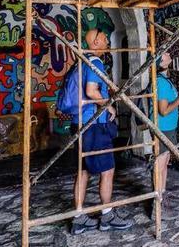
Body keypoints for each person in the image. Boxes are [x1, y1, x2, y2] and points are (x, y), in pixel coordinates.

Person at [70, 29, 134, 234]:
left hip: (79, 123)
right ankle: (107, 216)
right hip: (94, 125)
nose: (108, 40)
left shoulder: (80, 61)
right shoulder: (95, 62)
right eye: (105, 38)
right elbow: (91, 90)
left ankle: (78, 218)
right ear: (96, 42)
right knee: (107, 171)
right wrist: (109, 107)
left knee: (83, 171)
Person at [154, 52, 179, 205]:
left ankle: (162, 194)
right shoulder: (160, 82)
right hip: (162, 128)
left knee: (164, 162)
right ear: (161, 63)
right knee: (159, 164)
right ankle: (157, 200)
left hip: (169, 127)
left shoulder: (165, 80)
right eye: (165, 54)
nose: (168, 53)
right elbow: (164, 110)